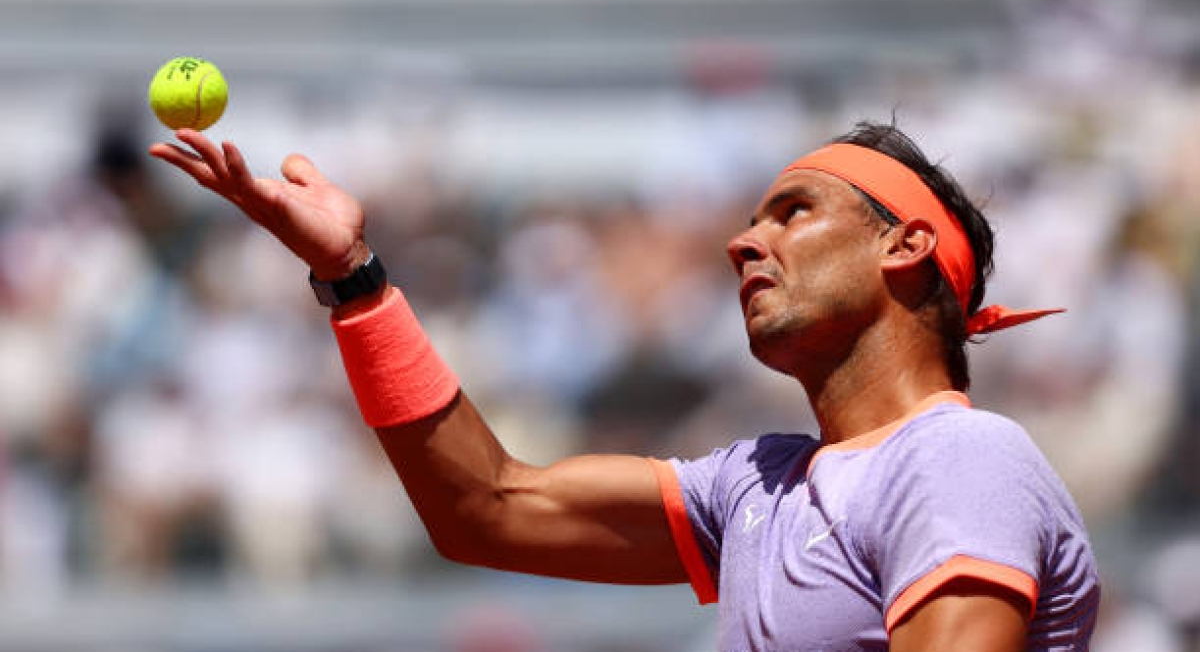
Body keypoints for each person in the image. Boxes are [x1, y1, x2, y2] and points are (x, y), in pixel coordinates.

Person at [150, 121, 1100, 651]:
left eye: (793, 211)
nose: (743, 240)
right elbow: (487, 506)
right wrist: (356, 282)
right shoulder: (757, 484)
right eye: (750, 218)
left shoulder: (961, 458)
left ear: (907, 245)